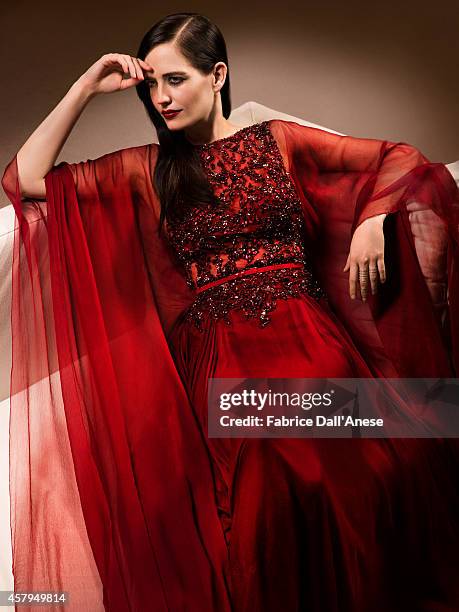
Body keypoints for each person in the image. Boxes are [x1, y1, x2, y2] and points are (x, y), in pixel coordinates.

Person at [3, 11, 459, 612]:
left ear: (217, 75)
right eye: (151, 87)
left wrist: (374, 217)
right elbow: (26, 177)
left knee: (366, 475)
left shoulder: (279, 141)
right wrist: (86, 85)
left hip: (312, 340)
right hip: (221, 357)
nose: (161, 99)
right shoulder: (151, 170)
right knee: (264, 483)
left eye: (175, 80)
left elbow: (398, 157)